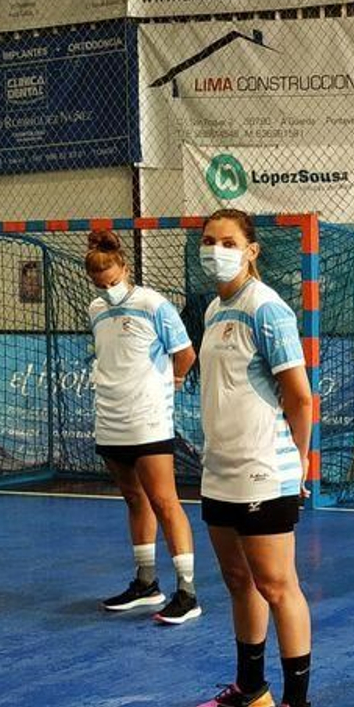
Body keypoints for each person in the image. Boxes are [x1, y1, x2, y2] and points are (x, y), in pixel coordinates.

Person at [183, 209, 319, 707]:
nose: (217, 249)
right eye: (210, 241)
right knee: (238, 580)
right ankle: (251, 689)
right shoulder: (216, 308)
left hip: (266, 470)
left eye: (229, 241)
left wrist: (301, 462)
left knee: (277, 585)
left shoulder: (268, 309)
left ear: (252, 250)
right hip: (219, 470)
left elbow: (300, 395)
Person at [84, 230, 199, 625]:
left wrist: (171, 385)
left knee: (166, 502)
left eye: (113, 279)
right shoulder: (95, 310)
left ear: (124, 267)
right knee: (135, 500)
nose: (108, 287)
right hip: (110, 420)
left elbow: (185, 354)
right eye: (101, 283)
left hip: (148, 422)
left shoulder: (154, 304)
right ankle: (147, 583)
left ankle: (187, 591)